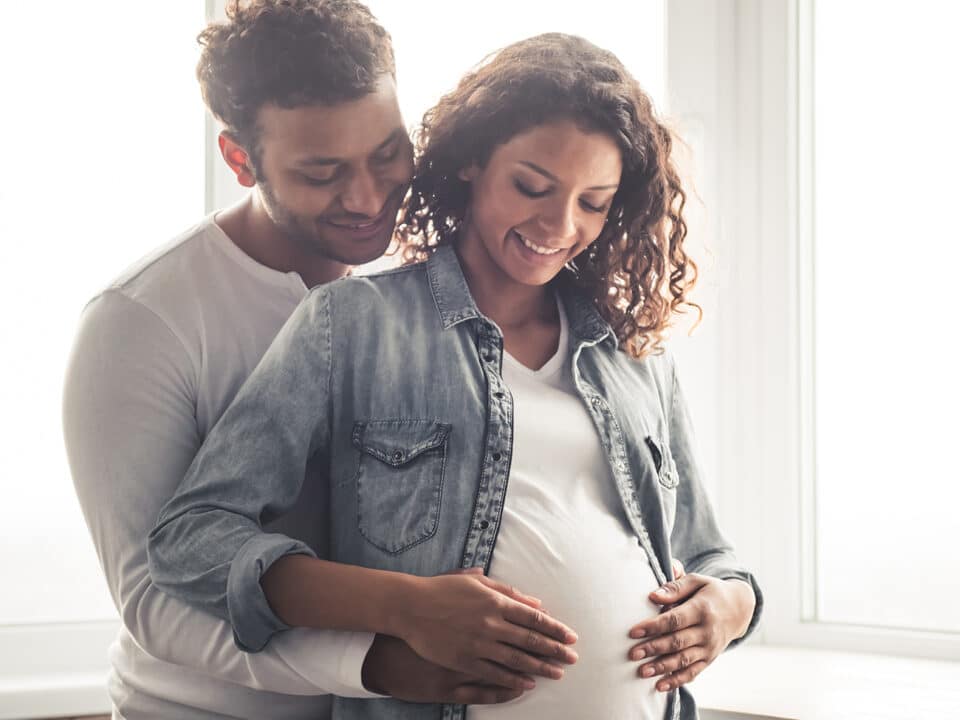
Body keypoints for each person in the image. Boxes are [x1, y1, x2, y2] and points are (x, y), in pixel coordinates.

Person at [147, 32, 763, 720]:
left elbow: (711, 554)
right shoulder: (353, 324)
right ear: (473, 160)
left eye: (593, 202)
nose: (560, 225)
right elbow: (191, 539)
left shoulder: (632, 352)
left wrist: (732, 607)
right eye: (532, 186)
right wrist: (403, 608)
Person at [63, 2, 565, 718]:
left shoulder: (420, 293)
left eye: (387, 154)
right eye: (322, 172)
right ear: (240, 160)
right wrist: (380, 662)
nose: (366, 199)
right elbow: (154, 598)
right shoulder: (139, 322)